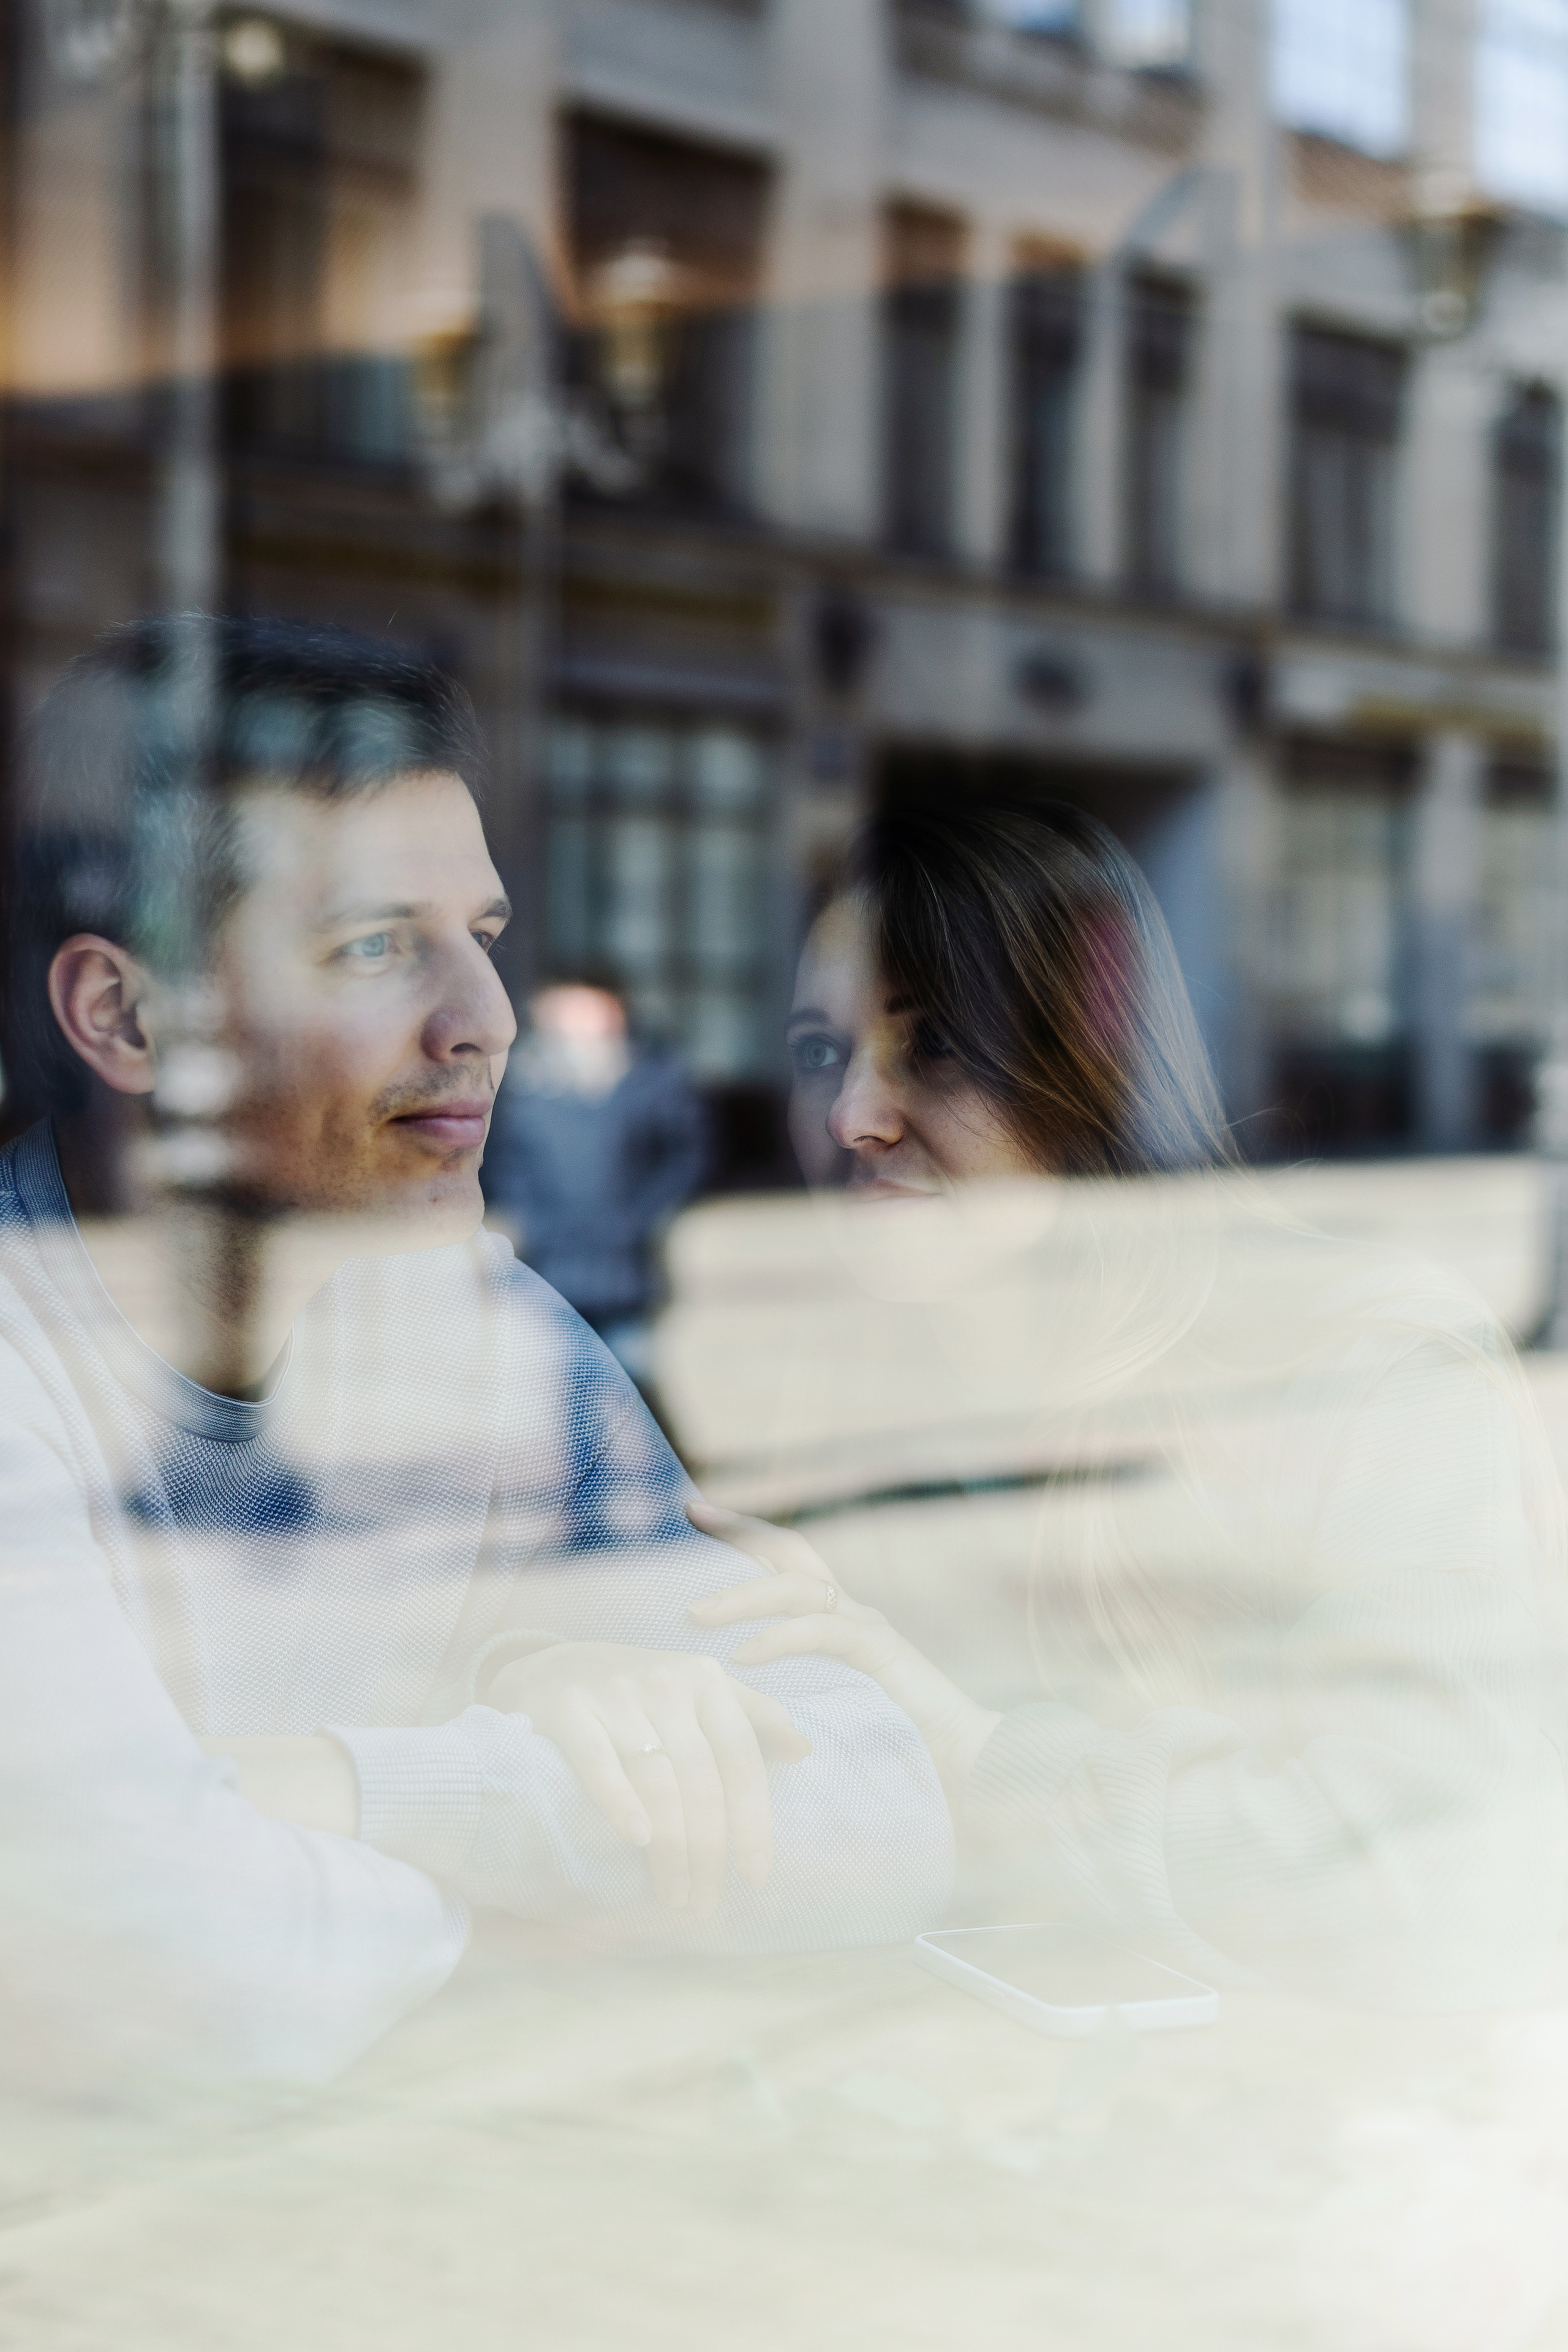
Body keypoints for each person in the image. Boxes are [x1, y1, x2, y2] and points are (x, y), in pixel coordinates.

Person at [0, 616, 949, 2094]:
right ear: (127, 1018)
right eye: (377, 948)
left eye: (482, 943)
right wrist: (542, 1792)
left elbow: (882, 1809)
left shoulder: (490, 1330)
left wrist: (362, 1777)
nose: (487, 1022)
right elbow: (184, 1970)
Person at [687, 796, 1568, 2011]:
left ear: (1092, 1063)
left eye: (936, 1046)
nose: (852, 1118)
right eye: (817, 1055)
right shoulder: (824, 1398)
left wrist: (978, 1755)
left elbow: (1410, 1878)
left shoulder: (1358, 1369)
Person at [482, 975, 707, 1392]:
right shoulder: (522, 1085)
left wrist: (643, 1217)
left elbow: (685, 1156)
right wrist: (529, 1220)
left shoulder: (652, 1076)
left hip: (626, 1264)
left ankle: (646, 1437)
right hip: (551, 1261)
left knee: (632, 1376)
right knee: (571, 1381)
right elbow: (503, 1163)